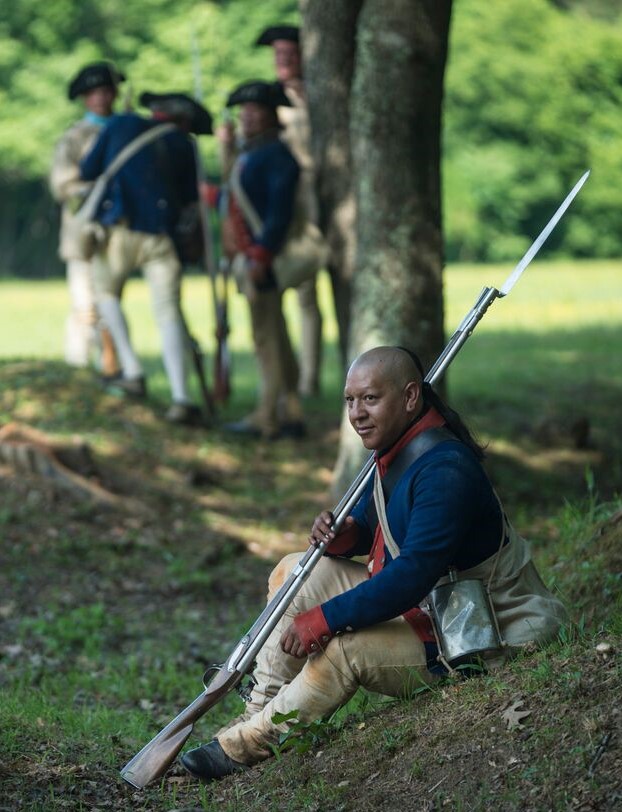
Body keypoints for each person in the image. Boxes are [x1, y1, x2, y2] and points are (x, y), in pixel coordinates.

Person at [180, 345, 568, 780]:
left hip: (477, 634)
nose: (357, 413)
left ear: (409, 397)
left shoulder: (445, 469)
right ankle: (252, 715)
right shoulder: (395, 447)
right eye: (350, 400)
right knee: (295, 571)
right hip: (426, 610)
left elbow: (412, 574)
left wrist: (323, 619)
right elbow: (374, 524)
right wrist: (345, 536)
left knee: (343, 650)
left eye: (370, 398)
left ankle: (247, 747)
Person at [79, 91, 213, 426]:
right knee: (168, 314)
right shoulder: (185, 145)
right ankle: (181, 397)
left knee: (106, 295)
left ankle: (132, 371)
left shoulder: (121, 123)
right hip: (160, 237)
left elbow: (88, 168)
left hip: (118, 231)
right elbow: (187, 201)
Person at [219, 80, 306, 440]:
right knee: (277, 335)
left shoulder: (276, 156)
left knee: (265, 338)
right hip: (257, 256)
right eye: (244, 112)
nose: (246, 117)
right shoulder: (252, 153)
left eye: (254, 111)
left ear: (271, 116)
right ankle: (292, 409)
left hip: (263, 259)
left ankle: (266, 415)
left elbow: (278, 212)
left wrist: (260, 254)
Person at [49, 61, 123, 374]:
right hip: (83, 229)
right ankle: (78, 366)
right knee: (84, 306)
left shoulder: (125, 130)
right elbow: (63, 184)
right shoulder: (74, 137)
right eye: (93, 93)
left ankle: (112, 367)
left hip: (118, 230)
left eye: (106, 91)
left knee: (111, 303)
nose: (101, 99)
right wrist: (95, 188)